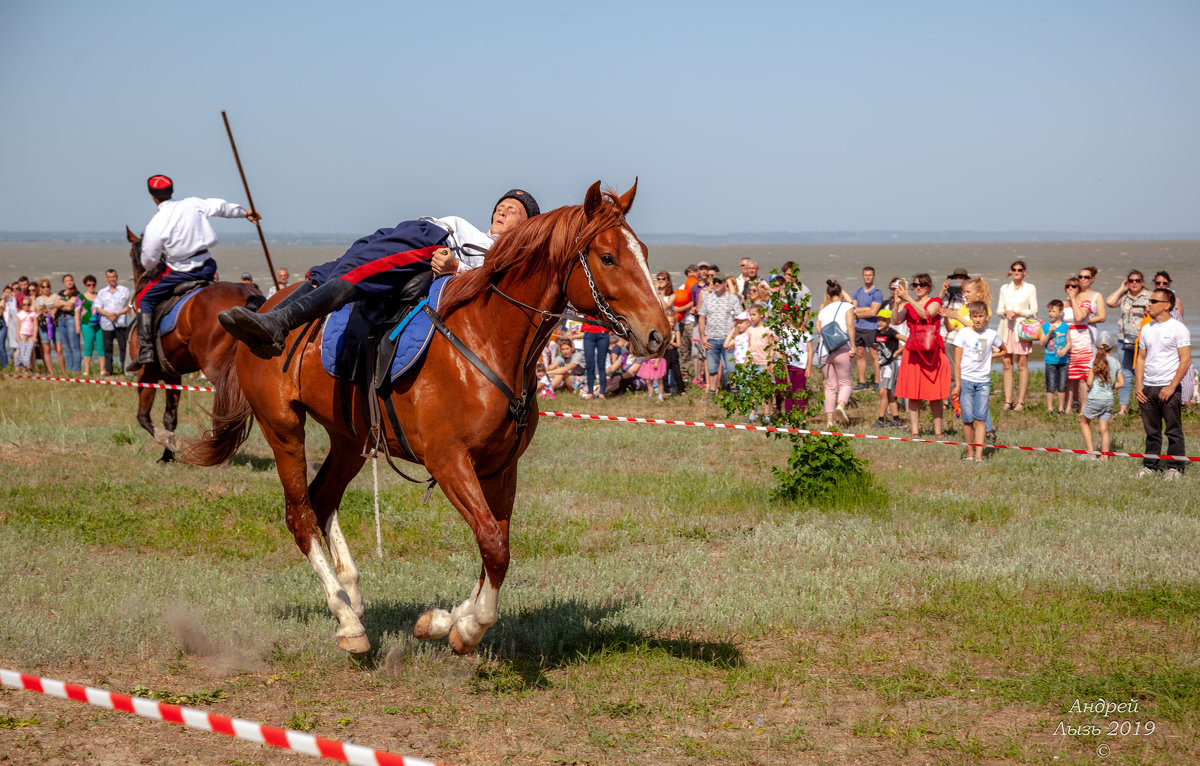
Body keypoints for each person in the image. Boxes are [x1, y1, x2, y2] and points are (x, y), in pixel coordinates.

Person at [220, 189, 537, 358]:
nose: (503, 210)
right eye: (501, 205)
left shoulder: (503, 254)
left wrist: (458, 268)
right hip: (413, 230)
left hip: (432, 242)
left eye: (514, 211)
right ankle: (271, 320)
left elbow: (494, 282)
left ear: (525, 227)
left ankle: (279, 324)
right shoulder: (478, 233)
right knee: (334, 267)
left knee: (363, 272)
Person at [131, 174, 262, 371]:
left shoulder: (156, 224)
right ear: (172, 191)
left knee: (145, 298)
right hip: (208, 267)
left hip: (180, 272)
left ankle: (146, 351)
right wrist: (245, 213)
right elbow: (220, 206)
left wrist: (153, 262)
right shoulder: (192, 204)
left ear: (153, 197)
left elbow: (149, 261)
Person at [1134, 288, 1190, 479]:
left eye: (1153, 301)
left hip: (1168, 387)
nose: (1148, 304)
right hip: (1148, 387)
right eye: (1149, 301)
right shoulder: (1147, 328)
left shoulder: (1178, 328)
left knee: (1173, 430)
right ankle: (1150, 465)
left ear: (1167, 305)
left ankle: (1175, 468)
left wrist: (1172, 386)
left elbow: (1185, 360)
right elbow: (1141, 358)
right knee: (1152, 431)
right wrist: (1138, 385)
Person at [894, 273, 949, 438]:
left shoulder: (936, 301)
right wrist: (897, 303)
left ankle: (938, 431)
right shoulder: (909, 305)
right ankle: (915, 431)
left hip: (933, 351)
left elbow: (927, 314)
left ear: (929, 287)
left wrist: (908, 299)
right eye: (915, 284)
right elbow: (895, 321)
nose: (918, 287)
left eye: (922, 284)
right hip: (914, 351)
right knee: (913, 393)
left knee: (935, 395)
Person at [952, 301, 1005, 462]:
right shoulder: (963, 334)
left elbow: (1004, 350)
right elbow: (957, 361)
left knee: (980, 418)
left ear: (986, 317)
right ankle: (969, 452)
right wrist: (958, 384)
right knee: (967, 419)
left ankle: (979, 455)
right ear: (970, 317)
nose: (977, 320)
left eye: (981, 316)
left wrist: (989, 356)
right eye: (974, 316)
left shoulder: (991, 335)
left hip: (983, 382)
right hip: (967, 381)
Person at [1105, 269, 1150, 418]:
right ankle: (1123, 409)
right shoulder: (1124, 297)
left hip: (1142, 340)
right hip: (1124, 339)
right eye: (1131, 281)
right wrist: (1121, 288)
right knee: (1125, 373)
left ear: (1142, 282)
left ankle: (1146, 406)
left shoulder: (1149, 296)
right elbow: (1110, 302)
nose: (1134, 283)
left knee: (1144, 373)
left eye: (1137, 280)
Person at [995, 260, 1038, 411]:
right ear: (1011, 271)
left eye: (1020, 270)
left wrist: (1018, 312)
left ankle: (1020, 401)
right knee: (1007, 365)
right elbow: (998, 310)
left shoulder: (1030, 288)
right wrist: (1006, 312)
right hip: (1005, 329)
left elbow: (1033, 310)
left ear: (1024, 272)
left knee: (1022, 365)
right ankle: (1008, 401)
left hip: (1021, 330)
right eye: (1014, 269)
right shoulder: (1004, 288)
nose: (1017, 272)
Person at [815, 280, 856, 428]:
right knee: (845, 383)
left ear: (828, 294)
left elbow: (819, 329)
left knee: (830, 387)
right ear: (841, 293)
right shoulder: (847, 306)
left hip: (824, 352)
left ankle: (830, 420)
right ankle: (841, 406)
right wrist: (852, 346)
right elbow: (850, 325)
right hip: (841, 348)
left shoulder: (823, 310)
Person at [1066, 268, 1106, 413]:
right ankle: (1074, 401)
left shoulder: (1096, 296)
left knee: (1087, 369)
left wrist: (1085, 321)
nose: (1083, 279)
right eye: (1080, 277)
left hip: (1089, 332)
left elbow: (1102, 317)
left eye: (1086, 277)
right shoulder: (1072, 294)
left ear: (1092, 279)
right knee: (1072, 371)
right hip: (1073, 335)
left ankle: (1090, 401)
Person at [697, 273, 743, 393]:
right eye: (714, 282)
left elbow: (739, 319)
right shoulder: (708, 298)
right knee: (712, 369)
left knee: (731, 368)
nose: (716, 284)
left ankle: (733, 392)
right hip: (711, 339)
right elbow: (701, 317)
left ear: (725, 283)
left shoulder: (732, 298)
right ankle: (712, 392)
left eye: (719, 282)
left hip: (728, 339)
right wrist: (702, 336)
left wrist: (734, 337)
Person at [1080, 332, 1122, 461]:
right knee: (1104, 428)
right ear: (1112, 347)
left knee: (1084, 422)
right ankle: (1105, 456)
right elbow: (1121, 383)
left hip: (1095, 399)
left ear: (1097, 346)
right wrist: (1109, 386)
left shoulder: (1094, 361)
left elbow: (1089, 382)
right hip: (1108, 400)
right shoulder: (1115, 363)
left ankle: (1091, 453)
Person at [93, 268, 132, 375]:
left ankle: (125, 370)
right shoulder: (102, 292)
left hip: (121, 323)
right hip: (107, 323)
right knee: (107, 348)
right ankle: (109, 370)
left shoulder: (125, 290)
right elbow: (98, 307)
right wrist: (108, 315)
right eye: (110, 277)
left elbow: (129, 305)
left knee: (123, 348)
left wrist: (117, 314)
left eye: (114, 277)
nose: (112, 279)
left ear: (117, 277)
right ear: (106, 278)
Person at [851, 266, 883, 391]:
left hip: (872, 328)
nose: (868, 277)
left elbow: (873, 312)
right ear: (863, 276)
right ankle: (861, 381)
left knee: (874, 355)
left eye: (870, 275)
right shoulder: (857, 292)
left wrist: (858, 313)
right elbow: (852, 309)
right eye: (865, 275)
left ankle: (877, 382)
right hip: (858, 327)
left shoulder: (877, 293)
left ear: (873, 276)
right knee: (860, 354)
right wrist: (866, 309)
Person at [871, 308, 904, 428]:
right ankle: (896, 419)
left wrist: (897, 352)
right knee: (889, 393)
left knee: (882, 392)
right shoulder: (877, 333)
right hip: (882, 366)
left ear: (889, 321)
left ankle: (880, 419)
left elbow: (906, 340)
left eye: (883, 320)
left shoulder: (892, 332)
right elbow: (875, 350)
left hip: (890, 366)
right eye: (879, 320)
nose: (880, 322)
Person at [1040, 299, 1070, 415]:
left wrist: (1064, 350)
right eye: (1049, 311)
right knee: (1050, 385)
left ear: (1061, 312)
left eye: (1053, 311)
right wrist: (1049, 333)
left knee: (1062, 386)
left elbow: (1069, 343)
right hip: (1050, 361)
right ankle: (1050, 409)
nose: (1050, 314)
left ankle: (1061, 408)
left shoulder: (1065, 327)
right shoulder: (1045, 326)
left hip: (1063, 361)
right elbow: (1042, 343)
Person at [54, 274, 82, 372]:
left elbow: (71, 306)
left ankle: (76, 369)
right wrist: (65, 303)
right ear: (64, 282)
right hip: (61, 320)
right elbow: (55, 303)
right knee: (67, 346)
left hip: (71, 319)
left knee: (74, 345)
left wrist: (62, 303)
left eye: (71, 280)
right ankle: (70, 369)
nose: (69, 282)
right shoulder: (61, 292)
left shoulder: (76, 293)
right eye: (67, 281)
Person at [33, 280, 60, 374]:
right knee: (46, 348)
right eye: (43, 287)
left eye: (48, 286)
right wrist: (43, 311)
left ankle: (62, 370)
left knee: (58, 348)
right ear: (41, 288)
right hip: (43, 325)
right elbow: (36, 313)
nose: (46, 288)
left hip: (55, 324)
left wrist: (52, 311)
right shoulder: (39, 299)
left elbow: (58, 306)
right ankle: (50, 371)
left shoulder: (55, 296)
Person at [78, 275, 102, 376]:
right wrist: (77, 325)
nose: (91, 286)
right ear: (85, 285)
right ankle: (87, 370)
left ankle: (102, 369)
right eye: (89, 285)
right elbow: (76, 312)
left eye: (93, 284)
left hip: (100, 325)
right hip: (86, 325)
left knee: (101, 346)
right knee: (88, 346)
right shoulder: (81, 297)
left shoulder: (100, 295)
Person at [15, 296, 36, 370]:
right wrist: (18, 336)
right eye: (24, 304)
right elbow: (18, 326)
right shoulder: (20, 313)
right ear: (22, 305)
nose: (26, 306)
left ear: (30, 305)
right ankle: (25, 369)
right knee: (22, 351)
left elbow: (36, 326)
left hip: (31, 335)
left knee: (31, 351)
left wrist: (35, 336)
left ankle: (33, 368)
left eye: (28, 304)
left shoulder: (33, 314)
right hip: (22, 333)